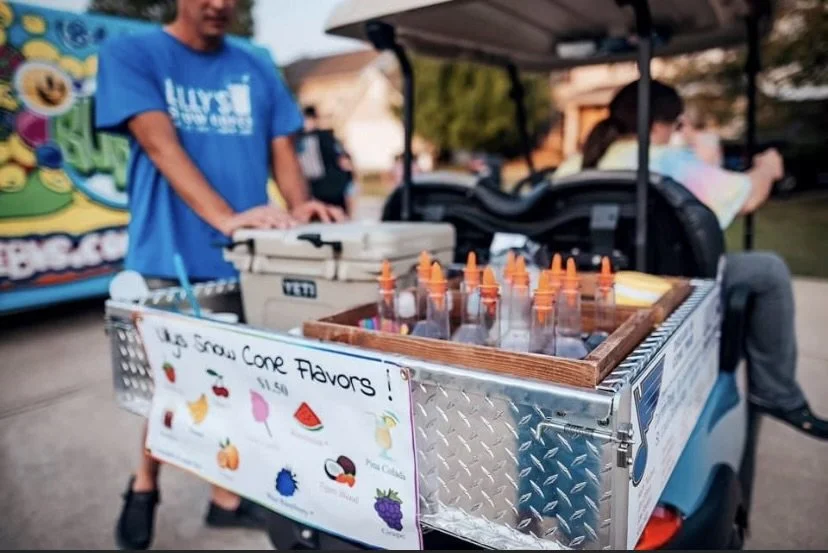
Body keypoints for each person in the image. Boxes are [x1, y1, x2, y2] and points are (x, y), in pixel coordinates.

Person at [94, 0, 346, 549]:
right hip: (169, 256)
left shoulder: (256, 63)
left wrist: (299, 208)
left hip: (249, 261)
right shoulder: (132, 54)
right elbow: (159, 144)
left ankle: (225, 498)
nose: (220, 5)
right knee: (172, 386)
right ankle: (144, 486)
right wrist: (227, 218)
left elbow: (283, 148)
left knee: (238, 388)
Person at [553, 78, 827, 440]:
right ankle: (776, 392)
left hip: (596, 289)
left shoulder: (573, 166)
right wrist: (767, 169)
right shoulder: (670, 161)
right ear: (659, 124)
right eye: (676, 123)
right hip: (670, 289)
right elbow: (746, 196)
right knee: (768, 268)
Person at [295, 105, 357, 216]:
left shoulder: (305, 138)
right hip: (324, 188)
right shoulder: (321, 137)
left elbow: (343, 161)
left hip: (324, 187)